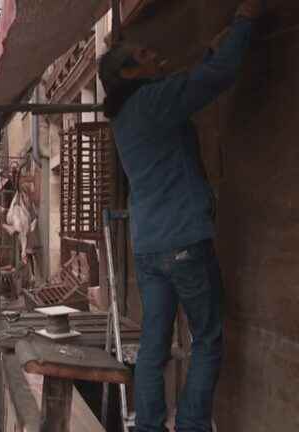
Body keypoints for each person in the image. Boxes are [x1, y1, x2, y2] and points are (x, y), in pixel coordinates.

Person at [98, 1, 262, 431]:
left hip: (149, 246)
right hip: (184, 238)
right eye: (146, 56)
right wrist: (244, 20)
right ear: (129, 73)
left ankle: (149, 425)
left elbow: (184, 82)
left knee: (154, 346)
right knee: (207, 338)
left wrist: (207, 51)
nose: (156, 56)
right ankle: (190, 425)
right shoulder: (153, 101)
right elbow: (213, 79)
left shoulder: (126, 114)